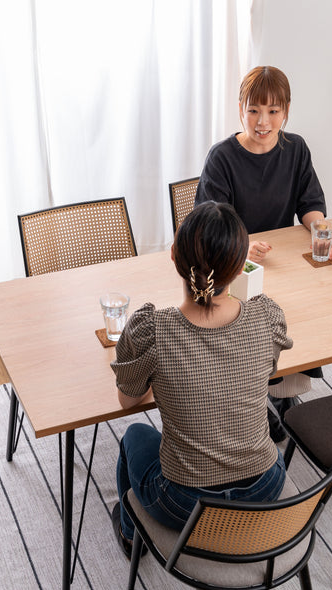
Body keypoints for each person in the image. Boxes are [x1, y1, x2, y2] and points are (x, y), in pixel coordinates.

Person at [110, 201, 292, 559]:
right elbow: (266, 374)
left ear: (174, 255)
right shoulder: (266, 316)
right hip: (266, 487)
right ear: (241, 266)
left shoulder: (151, 330)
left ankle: (131, 534)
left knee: (134, 435)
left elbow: (127, 401)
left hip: (185, 505)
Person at [195, 65, 332, 439]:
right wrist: (241, 247)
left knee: (310, 308)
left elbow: (310, 201)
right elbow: (209, 224)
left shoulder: (296, 149)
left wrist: (317, 227)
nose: (263, 121)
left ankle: (277, 390)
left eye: (273, 111)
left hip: (283, 263)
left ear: (286, 111)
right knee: (251, 319)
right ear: (240, 108)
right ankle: (254, 399)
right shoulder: (221, 158)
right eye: (254, 109)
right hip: (231, 268)